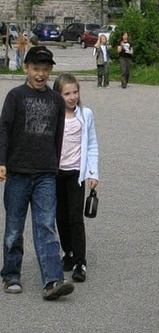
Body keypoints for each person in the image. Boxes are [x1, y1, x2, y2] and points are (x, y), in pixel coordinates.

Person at [0, 46, 74, 300]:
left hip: (45, 173)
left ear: (51, 70)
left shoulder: (55, 100)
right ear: (26, 68)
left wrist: (54, 166)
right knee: (14, 227)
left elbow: (58, 136)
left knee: (46, 226)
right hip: (18, 171)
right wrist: (2, 162)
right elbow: (4, 131)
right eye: (35, 69)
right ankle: (11, 274)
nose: (40, 74)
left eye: (45, 69)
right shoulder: (15, 96)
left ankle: (52, 280)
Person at [52, 74, 99, 283]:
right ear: (57, 95)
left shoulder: (85, 114)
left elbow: (92, 146)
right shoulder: (54, 115)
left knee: (75, 217)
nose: (72, 97)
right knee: (60, 216)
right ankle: (68, 253)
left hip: (76, 174)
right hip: (55, 173)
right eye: (66, 93)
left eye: (75, 92)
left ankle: (80, 261)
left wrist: (92, 173)